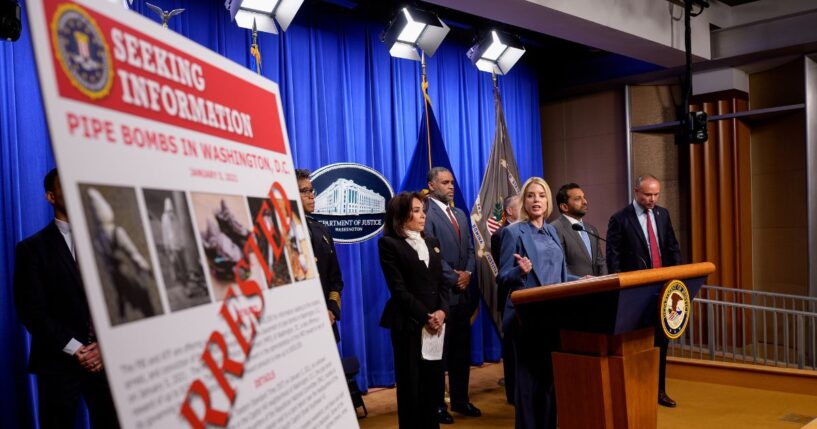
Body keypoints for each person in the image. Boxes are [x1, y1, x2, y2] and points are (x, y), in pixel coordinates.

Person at [13, 169, 120, 428]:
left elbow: (120, 300)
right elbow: (32, 311)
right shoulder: (31, 249)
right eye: (64, 186)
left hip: (107, 361)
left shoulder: (109, 241)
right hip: (58, 364)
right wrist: (77, 350)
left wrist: (104, 348)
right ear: (50, 196)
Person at [498, 177, 577, 429]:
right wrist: (519, 271)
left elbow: (558, 274)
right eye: (531, 195)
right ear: (524, 201)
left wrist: (583, 279)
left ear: (548, 201)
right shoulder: (513, 232)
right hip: (527, 317)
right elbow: (502, 277)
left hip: (554, 315)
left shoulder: (552, 230)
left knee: (550, 380)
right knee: (530, 384)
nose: (536, 200)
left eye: (541, 195)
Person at [606, 174, 682, 408]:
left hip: (662, 288)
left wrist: (678, 275)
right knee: (636, 343)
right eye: (648, 194)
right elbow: (613, 256)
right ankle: (633, 390)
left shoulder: (662, 214)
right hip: (635, 290)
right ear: (636, 191)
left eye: (656, 194)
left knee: (661, 342)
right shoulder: (620, 219)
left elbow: (672, 246)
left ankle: (659, 390)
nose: (652, 199)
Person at [379, 191, 449, 428]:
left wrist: (442, 312)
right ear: (400, 215)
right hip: (409, 325)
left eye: (423, 211)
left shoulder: (432, 242)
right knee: (411, 388)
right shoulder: (389, 244)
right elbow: (399, 290)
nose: (423, 216)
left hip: (436, 325)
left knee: (433, 387)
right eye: (416, 211)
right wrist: (426, 316)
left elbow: (441, 284)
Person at [423, 167, 479, 423]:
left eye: (452, 182)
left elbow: (470, 249)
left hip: (463, 296)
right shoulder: (426, 213)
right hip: (442, 296)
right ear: (432, 186)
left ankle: (461, 399)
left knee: (460, 351)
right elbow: (430, 254)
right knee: (440, 355)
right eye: (445, 183)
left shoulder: (459, 214)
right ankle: (437, 406)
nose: (451, 186)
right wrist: (454, 277)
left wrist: (467, 272)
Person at [296, 169, 344, 342]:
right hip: (299, 325)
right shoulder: (282, 232)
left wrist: (331, 309)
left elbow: (335, 278)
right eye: (305, 191)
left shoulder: (322, 230)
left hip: (326, 319)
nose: (311, 196)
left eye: (311, 191)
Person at [490, 194, 520, 405]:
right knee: (511, 351)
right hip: (511, 297)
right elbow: (505, 270)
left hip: (528, 297)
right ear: (509, 211)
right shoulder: (502, 234)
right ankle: (513, 393)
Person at [551, 183, 607, 277]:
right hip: (574, 289)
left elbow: (600, 261)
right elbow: (560, 266)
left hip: (598, 288)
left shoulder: (591, 229)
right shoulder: (554, 229)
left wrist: (603, 282)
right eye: (578, 199)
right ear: (564, 207)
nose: (585, 201)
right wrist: (579, 281)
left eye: (584, 197)